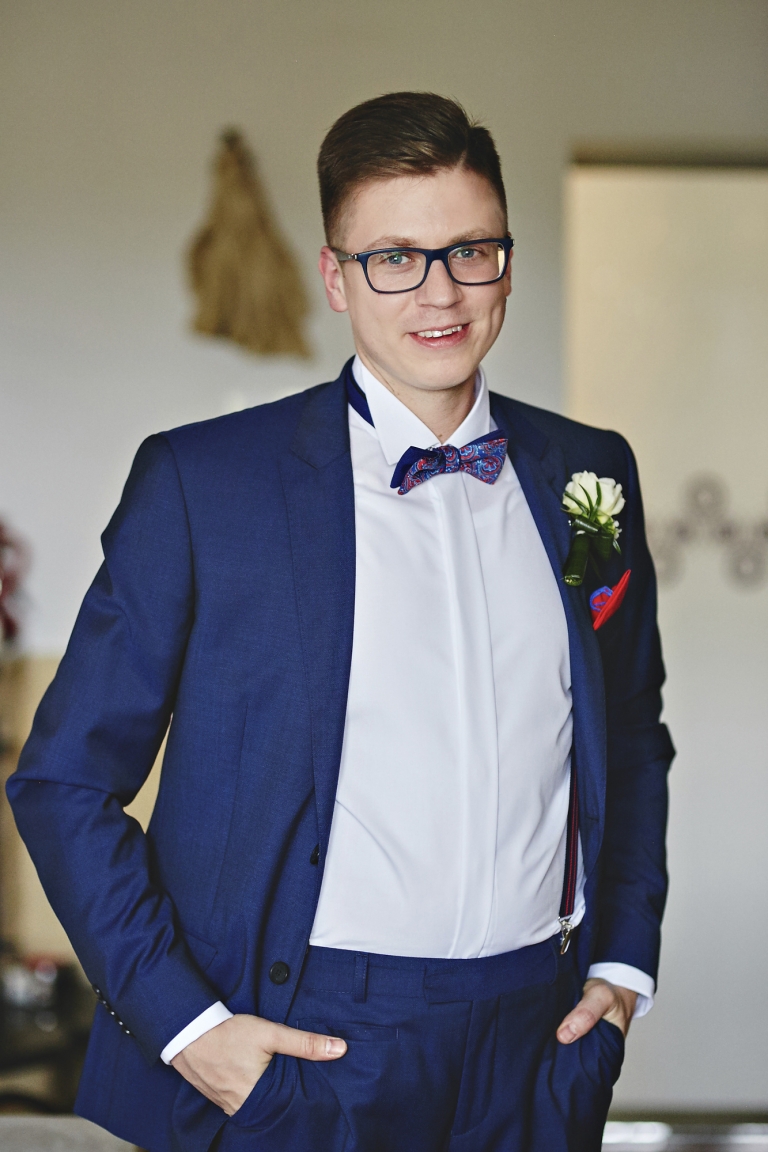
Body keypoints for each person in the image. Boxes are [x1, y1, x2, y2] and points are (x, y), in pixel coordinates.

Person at [7, 93, 674, 1152]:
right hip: (298, 1047)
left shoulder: (591, 473)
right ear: (336, 277)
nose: (441, 292)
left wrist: (624, 960)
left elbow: (629, 732)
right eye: (395, 258)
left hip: (537, 1046)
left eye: (471, 251)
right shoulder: (203, 485)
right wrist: (189, 1030)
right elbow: (63, 783)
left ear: (508, 261)